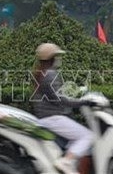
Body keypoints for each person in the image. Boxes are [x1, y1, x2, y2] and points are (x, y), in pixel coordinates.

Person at [31, 42, 93, 174]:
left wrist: (77, 95)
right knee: (87, 136)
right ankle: (66, 162)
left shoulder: (42, 73)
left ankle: (70, 164)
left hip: (47, 117)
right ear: (51, 58)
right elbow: (61, 99)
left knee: (75, 139)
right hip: (53, 118)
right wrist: (84, 102)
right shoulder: (50, 74)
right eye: (57, 56)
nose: (59, 59)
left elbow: (56, 95)